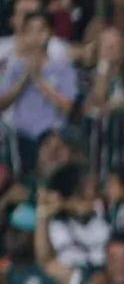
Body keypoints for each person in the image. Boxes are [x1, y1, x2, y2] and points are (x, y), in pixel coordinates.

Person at [0, 11, 77, 168]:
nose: (35, 36)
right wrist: (24, 80)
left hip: (53, 135)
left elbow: (68, 107)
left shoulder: (63, 68)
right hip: (20, 135)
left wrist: (40, 82)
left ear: (50, 33)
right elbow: (2, 103)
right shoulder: (16, 67)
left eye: (40, 30)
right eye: (30, 31)